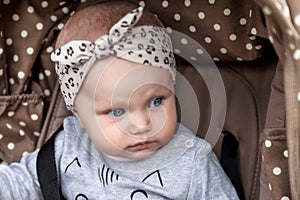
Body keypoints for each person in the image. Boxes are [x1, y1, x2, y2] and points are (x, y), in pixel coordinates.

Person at [0, 2, 239, 199]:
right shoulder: (68, 145)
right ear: (80, 116)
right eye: (116, 112)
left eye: (156, 101)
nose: (143, 124)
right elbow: (23, 182)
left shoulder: (192, 161)